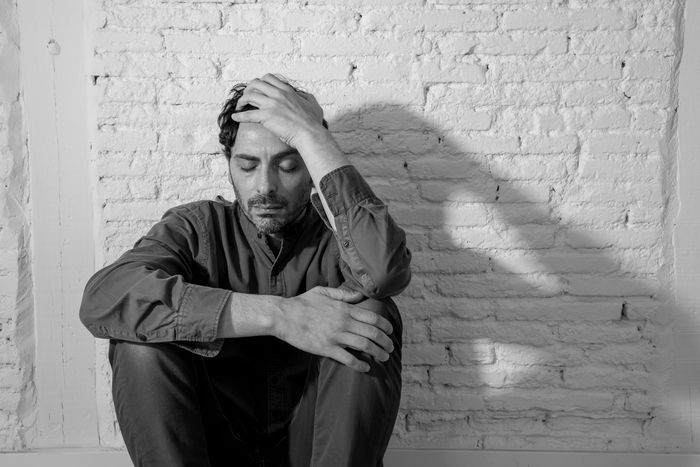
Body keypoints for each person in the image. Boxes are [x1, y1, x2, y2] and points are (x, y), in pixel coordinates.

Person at [79, 74, 412, 467]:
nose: (265, 186)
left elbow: (386, 273)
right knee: (139, 344)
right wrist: (279, 315)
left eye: (288, 166)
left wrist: (311, 134)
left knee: (369, 318)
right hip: (209, 448)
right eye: (248, 165)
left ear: (311, 168)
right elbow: (104, 298)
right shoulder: (196, 228)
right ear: (229, 164)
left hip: (315, 449)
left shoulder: (339, 239)